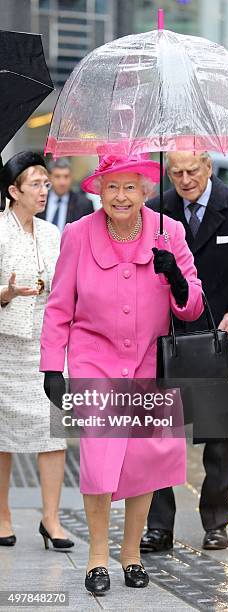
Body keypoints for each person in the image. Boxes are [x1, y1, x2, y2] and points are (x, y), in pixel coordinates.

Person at [39, 153, 203, 595]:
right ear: (98, 190)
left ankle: (130, 553)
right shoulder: (78, 234)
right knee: (100, 459)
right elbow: (59, 307)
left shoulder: (171, 231)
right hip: (96, 361)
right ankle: (97, 556)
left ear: (146, 190)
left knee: (142, 463)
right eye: (112, 187)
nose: (121, 196)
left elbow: (193, 306)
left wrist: (177, 278)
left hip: (150, 361)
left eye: (130, 186)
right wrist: (53, 366)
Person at [141, 150, 228, 553]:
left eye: (192, 171)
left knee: (223, 438)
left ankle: (216, 519)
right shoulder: (156, 211)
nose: (185, 180)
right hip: (169, 337)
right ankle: (158, 526)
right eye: (176, 173)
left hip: (226, 337)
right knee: (159, 435)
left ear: (208, 166)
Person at [0, 151, 73, 551]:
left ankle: (52, 519)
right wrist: (7, 293)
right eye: (35, 184)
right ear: (13, 191)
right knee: (2, 435)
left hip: (45, 346)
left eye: (46, 183)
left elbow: (61, 289)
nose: (44, 190)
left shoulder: (51, 233)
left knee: (54, 431)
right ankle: (2, 516)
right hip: (4, 347)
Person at [36, 157, 94, 231]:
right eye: (57, 176)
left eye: (66, 177)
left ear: (71, 177)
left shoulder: (84, 204)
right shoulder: (38, 200)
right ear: (49, 178)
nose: (62, 182)